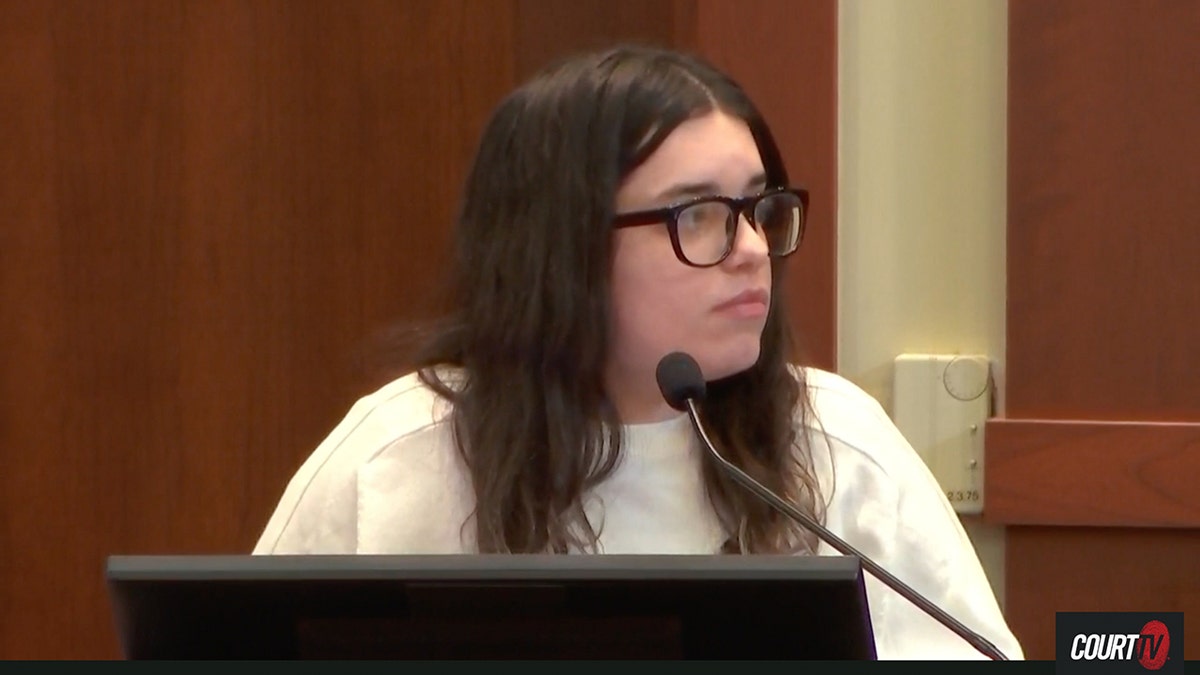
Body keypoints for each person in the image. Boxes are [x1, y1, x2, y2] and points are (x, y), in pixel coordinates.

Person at [252, 43, 1024, 661]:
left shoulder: (836, 446)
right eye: (699, 214)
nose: (751, 249)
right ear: (563, 248)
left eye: (758, 208)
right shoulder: (395, 459)